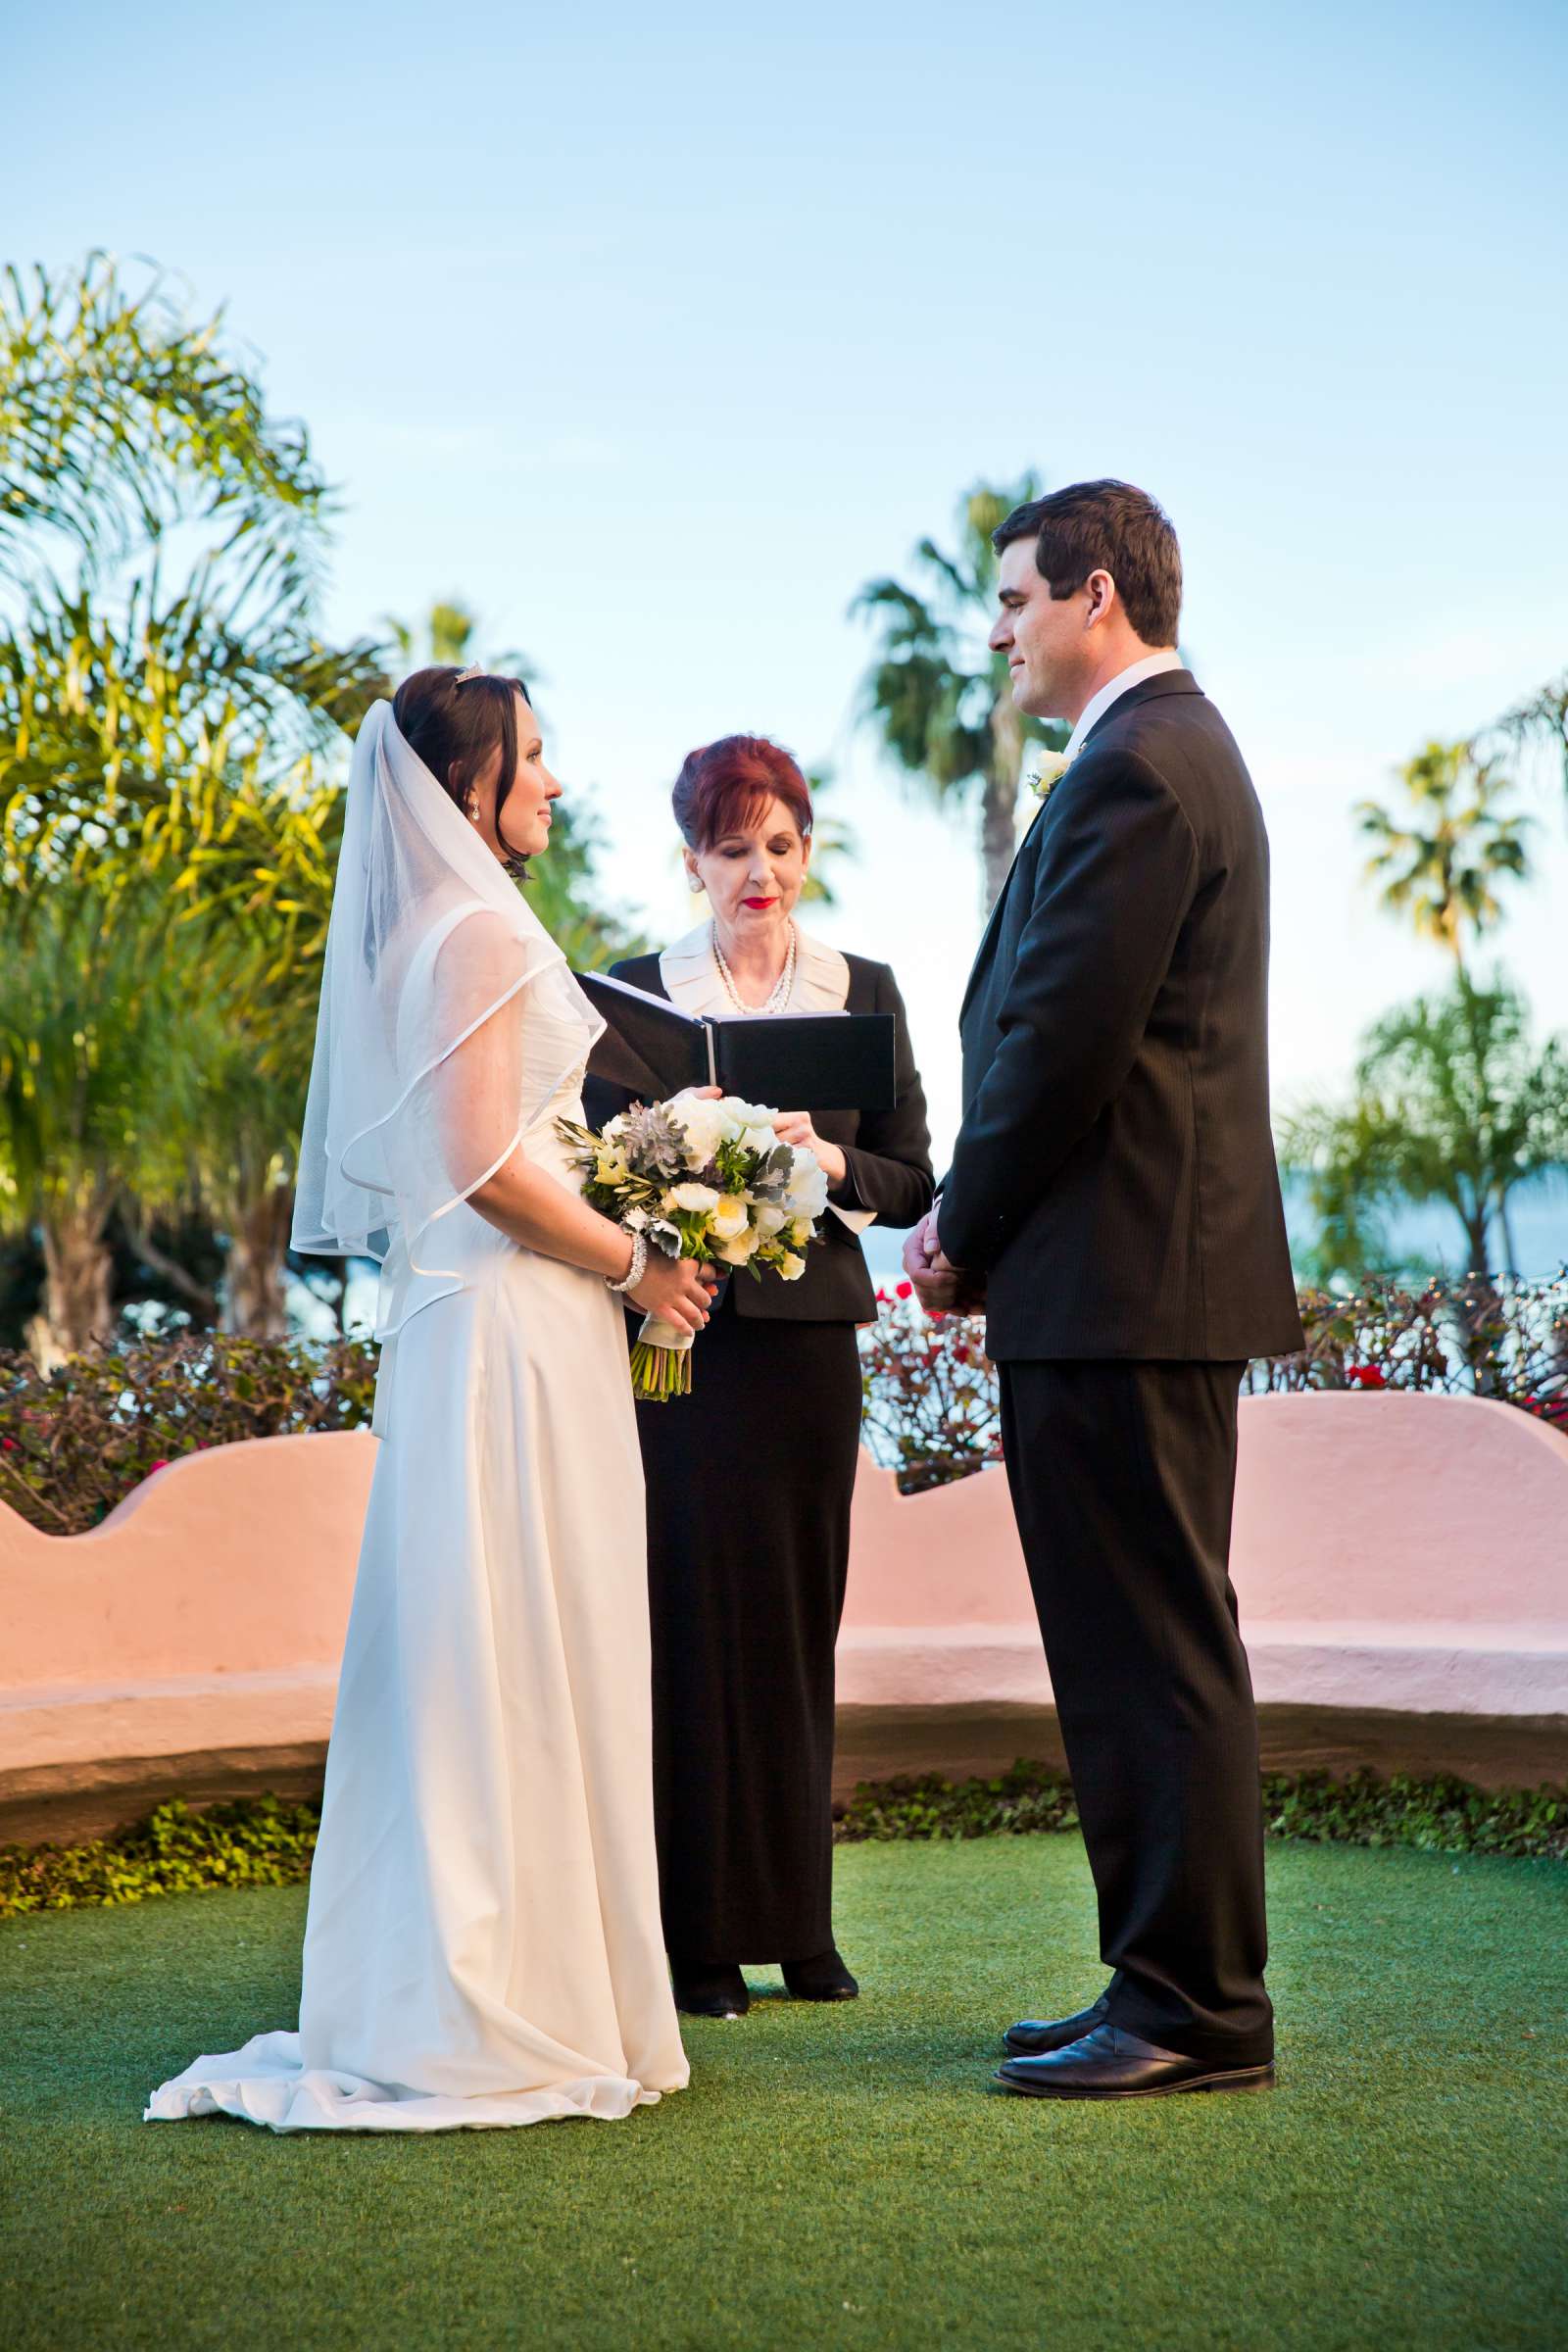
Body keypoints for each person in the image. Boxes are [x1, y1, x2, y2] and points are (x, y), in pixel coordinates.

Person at [146, 668, 714, 2132]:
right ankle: (485, 2004)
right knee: (498, 1640)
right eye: (534, 757)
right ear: (468, 788)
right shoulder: (470, 933)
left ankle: (551, 1979)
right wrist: (639, 1261)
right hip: (512, 1333)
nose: (556, 781)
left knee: (527, 1634)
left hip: (515, 1327)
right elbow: (484, 1165)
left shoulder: (450, 927)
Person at [906, 481, 1303, 2101]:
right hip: (1125, 1279)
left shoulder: (1143, 766)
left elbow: (1064, 1037)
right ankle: (1157, 1979)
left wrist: (957, 1230)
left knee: (1150, 1645)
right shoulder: (1151, 755)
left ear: (1091, 597)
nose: (996, 632)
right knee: (1136, 1639)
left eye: (1012, 602)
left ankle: (1197, 2012)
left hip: (1124, 1279)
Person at [586, 735, 933, 2020]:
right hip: (683, 1347)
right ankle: (698, 1944)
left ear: (806, 850)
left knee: (799, 1627)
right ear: (694, 860)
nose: (761, 871)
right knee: (689, 1628)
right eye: (734, 849)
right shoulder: (634, 995)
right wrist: (682, 1170)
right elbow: (594, 1167)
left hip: (806, 1356)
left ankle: (804, 1927)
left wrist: (826, 1164)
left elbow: (911, 1182)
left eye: (780, 845)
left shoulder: (863, 989)